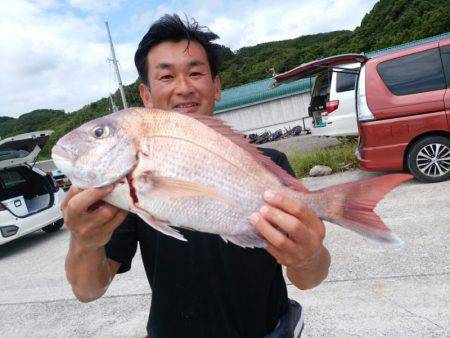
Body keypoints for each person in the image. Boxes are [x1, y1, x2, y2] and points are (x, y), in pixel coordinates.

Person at [62, 14, 330, 338]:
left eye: (196, 73)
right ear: (146, 96)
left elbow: (308, 278)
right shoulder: (121, 190)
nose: (184, 88)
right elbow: (88, 290)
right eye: (166, 77)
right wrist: (85, 241)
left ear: (216, 86)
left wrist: (309, 256)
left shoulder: (270, 163)